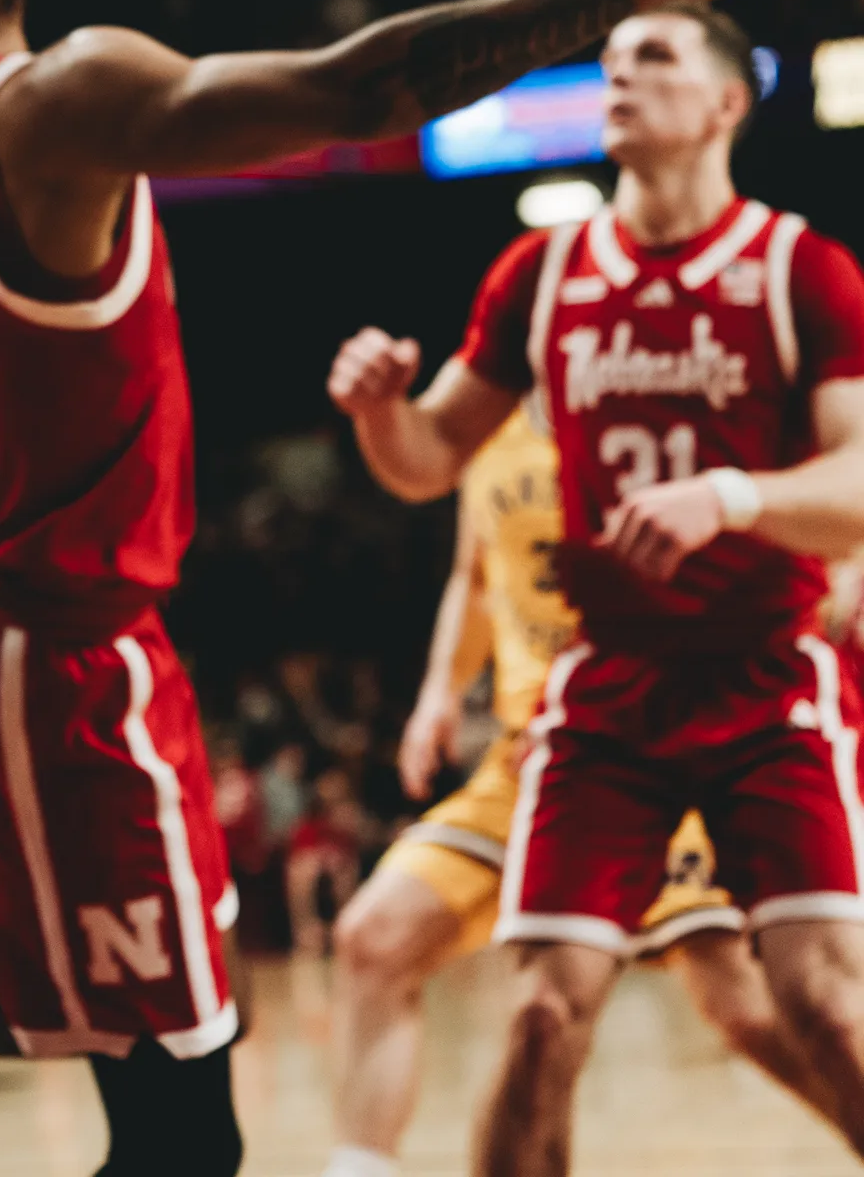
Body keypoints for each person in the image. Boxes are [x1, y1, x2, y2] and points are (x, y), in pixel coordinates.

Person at [0, 0, 803, 1172]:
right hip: (56, 658)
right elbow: (355, 90)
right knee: (182, 1127)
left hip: (27, 646)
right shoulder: (52, 98)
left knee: (144, 1027)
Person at [327, 0, 864, 1175]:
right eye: (610, 60)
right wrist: (379, 414)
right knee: (536, 1014)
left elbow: (859, 482)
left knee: (815, 1000)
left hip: (765, 680)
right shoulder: (542, 271)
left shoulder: (799, 268)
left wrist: (732, 498)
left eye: (654, 59)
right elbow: (425, 465)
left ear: (727, 102)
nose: (618, 77)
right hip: (606, 690)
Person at [321, 402, 836, 1177]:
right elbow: (473, 574)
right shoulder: (483, 419)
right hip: (524, 759)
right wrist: (438, 693)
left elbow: (803, 503)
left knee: (751, 1011)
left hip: (649, 736)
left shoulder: (665, 400)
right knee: (380, 940)